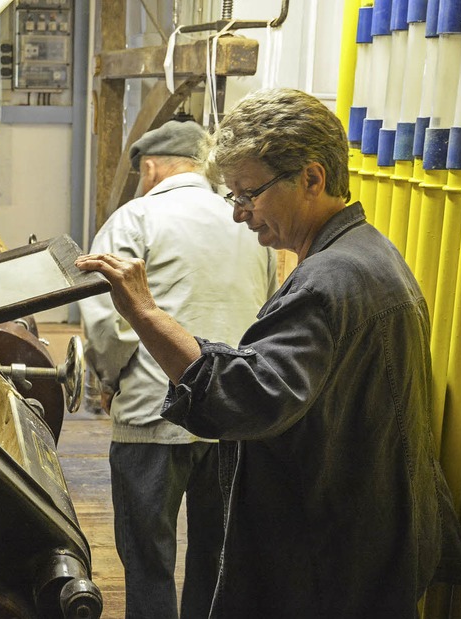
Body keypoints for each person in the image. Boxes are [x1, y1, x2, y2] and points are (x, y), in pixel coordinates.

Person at [76, 89, 461, 619]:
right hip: (370, 541)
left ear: (311, 178)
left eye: (248, 195)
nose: (238, 215)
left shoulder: (330, 281)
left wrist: (145, 313)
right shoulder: (367, 252)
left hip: (335, 563)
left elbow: (247, 399)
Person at [78, 119, 278, 619]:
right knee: (214, 554)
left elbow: (111, 322)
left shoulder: (133, 220)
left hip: (152, 414)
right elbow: (266, 309)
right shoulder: (248, 222)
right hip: (230, 415)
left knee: (148, 558)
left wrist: (107, 381)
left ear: (150, 167)